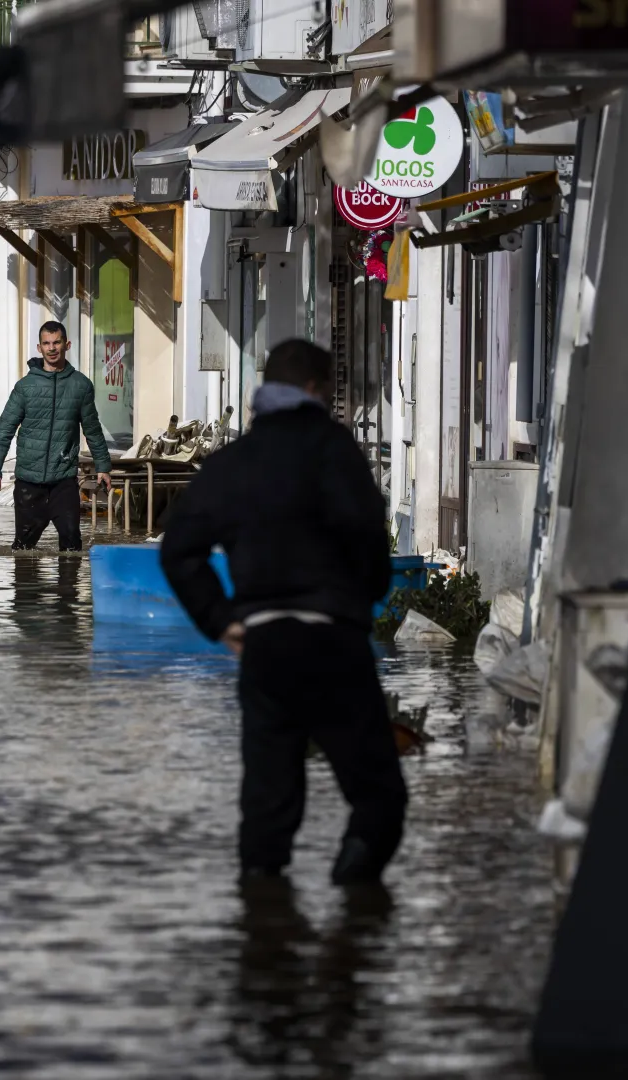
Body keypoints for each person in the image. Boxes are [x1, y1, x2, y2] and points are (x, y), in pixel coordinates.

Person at [159, 339, 407, 886]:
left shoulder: (234, 462)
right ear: (316, 389)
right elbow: (370, 550)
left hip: (265, 648)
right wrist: (357, 605)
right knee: (378, 798)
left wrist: (223, 621)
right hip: (334, 643)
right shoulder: (337, 451)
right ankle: (354, 926)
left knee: (268, 808)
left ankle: (264, 938)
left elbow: (178, 551)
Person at [0, 321, 113, 551]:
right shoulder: (25, 387)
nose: (52, 348)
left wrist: (103, 466)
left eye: (56, 342)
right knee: (23, 549)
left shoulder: (81, 386)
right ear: (39, 348)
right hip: (28, 484)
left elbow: (92, 429)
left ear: (67, 344)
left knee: (72, 546)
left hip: (63, 481)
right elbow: (4, 431)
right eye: (46, 343)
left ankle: (68, 588)